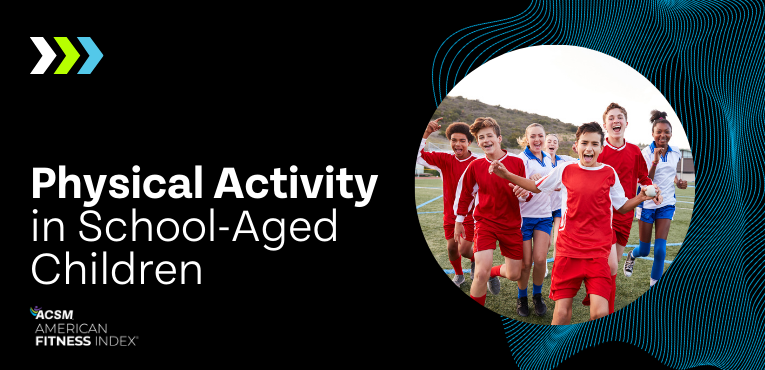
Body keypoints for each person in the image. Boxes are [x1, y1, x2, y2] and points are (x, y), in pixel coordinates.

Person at [488, 122, 658, 324]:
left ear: (601, 149)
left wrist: (640, 198)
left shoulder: (609, 173)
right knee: (561, 314)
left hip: (598, 253)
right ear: (576, 146)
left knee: (600, 313)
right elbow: (535, 186)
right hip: (569, 252)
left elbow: (621, 206)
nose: (589, 148)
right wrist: (506, 175)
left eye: (594, 144)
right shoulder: (565, 169)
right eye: (584, 142)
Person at [454, 117, 529, 306]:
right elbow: (466, 195)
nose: (486, 140)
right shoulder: (476, 166)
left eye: (489, 135)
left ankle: (493, 273)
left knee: (514, 274)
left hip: (511, 225)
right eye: (481, 137)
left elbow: (526, 195)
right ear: (478, 142)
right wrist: (459, 221)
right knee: (480, 272)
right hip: (485, 223)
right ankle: (485, 274)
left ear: (499, 138)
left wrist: (523, 193)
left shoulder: (517, 163)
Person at [595, 102, 660, 314]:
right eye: (611, 118)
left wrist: (652, 189)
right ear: (605, 126)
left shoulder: (633, 151)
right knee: (611, 266)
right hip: (602, 217)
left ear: (626, 123)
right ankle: (605, 308)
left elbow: (644, 177)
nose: (616, 120)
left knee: (611, 267)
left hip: (626, 215)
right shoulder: (599, 151)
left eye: (619, 117)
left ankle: (598, 297)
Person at [623, 110, 687, 286]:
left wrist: (678, 182)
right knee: (644, 249)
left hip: (666, 203)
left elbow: (671, 174)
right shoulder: (645, 153)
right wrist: (655, 161)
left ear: (671, 134)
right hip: (647, 204)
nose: (663, 135)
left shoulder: (676, 153)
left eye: (666, 131)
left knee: (660, 250)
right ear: (653, 134)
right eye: (659, 132)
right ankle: (632, 255)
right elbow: (645, 179)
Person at [417, 118, 482, 287]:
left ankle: (479, 261)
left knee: (465, 250)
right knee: (452, 249)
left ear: (469, 142)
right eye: (454, 140)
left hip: (471, 215)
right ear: (450, 141)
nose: (457, 144)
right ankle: (459, 275)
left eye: (462, 140)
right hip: (450, 215)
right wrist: (426, 134)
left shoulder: (478, 162)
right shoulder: (444, 160)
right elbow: (419, 157)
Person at [514, 123, 554, 316]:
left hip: (544, 216)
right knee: (525, 263)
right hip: (524, 217)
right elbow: (517, 191)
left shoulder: (548, 159)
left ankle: (537, 296)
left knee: (540, 259)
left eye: (540, 136)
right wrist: (532, 182)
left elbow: (552, 186)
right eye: (533, 136)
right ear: (527, 138)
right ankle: (522, 298)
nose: (537, 140)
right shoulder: (521, 159)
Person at [545, 134, 577, 277]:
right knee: (547, 243)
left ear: (557, 146)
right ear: (545, 144)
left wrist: (578, 150)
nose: (552, 144)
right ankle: (543, 263)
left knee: (559, 240)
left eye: (555, 142)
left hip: (558, 207)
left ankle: (556, 271)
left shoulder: (564, 160)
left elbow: (580, 161)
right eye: (549, 141)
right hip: (544, 207)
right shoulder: (540, 161)